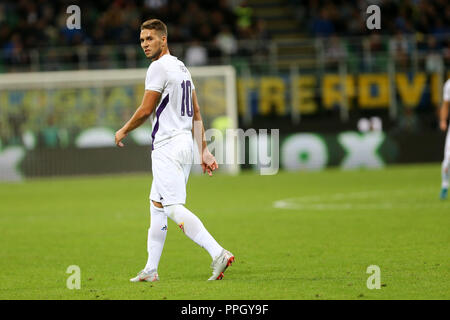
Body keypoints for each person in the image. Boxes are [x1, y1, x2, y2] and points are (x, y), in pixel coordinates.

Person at [114, 19, 234, 281]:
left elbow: (146, 110)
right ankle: (151, 268)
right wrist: (202, 150)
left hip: (167, 146)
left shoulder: (158, 67)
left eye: (150, 39)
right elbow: (197, 112)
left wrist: (123, 130)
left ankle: (218, 253)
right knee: (157, 205)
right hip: (184, 145)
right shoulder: (181, 68)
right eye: (142, 40)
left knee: (172, 207)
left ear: (163, 39)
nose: (145, 44)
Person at [439, 78, 450, 200]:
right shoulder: (448, 85)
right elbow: (446, 104)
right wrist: (443, 120)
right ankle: (445, 185)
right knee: (448, 159)